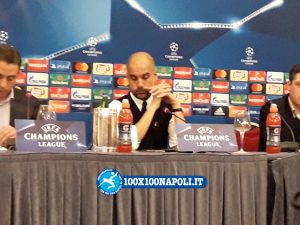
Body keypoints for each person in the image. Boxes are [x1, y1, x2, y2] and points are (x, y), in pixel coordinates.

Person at [110, 51, 185, 150]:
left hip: (159, 165)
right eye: (134, 78)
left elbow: (183, 147)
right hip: (125, 165)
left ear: (155, 77)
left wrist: (176, 105)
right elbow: (129, 145)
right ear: (127, 79)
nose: (140, 84)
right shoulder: (116, 106)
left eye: (145, 77)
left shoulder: (167, 107)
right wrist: (153, 106)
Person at [0, 44, 41, 146]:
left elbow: (42, 142)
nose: (3, 85)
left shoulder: (31, 103)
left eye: (10, 78)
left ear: (18, 75)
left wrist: (21, 135)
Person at [259, 63, 300, 151]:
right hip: (278, 163)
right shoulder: (271, 108)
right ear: (289, 85)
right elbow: (274, 142)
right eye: (299, 85)